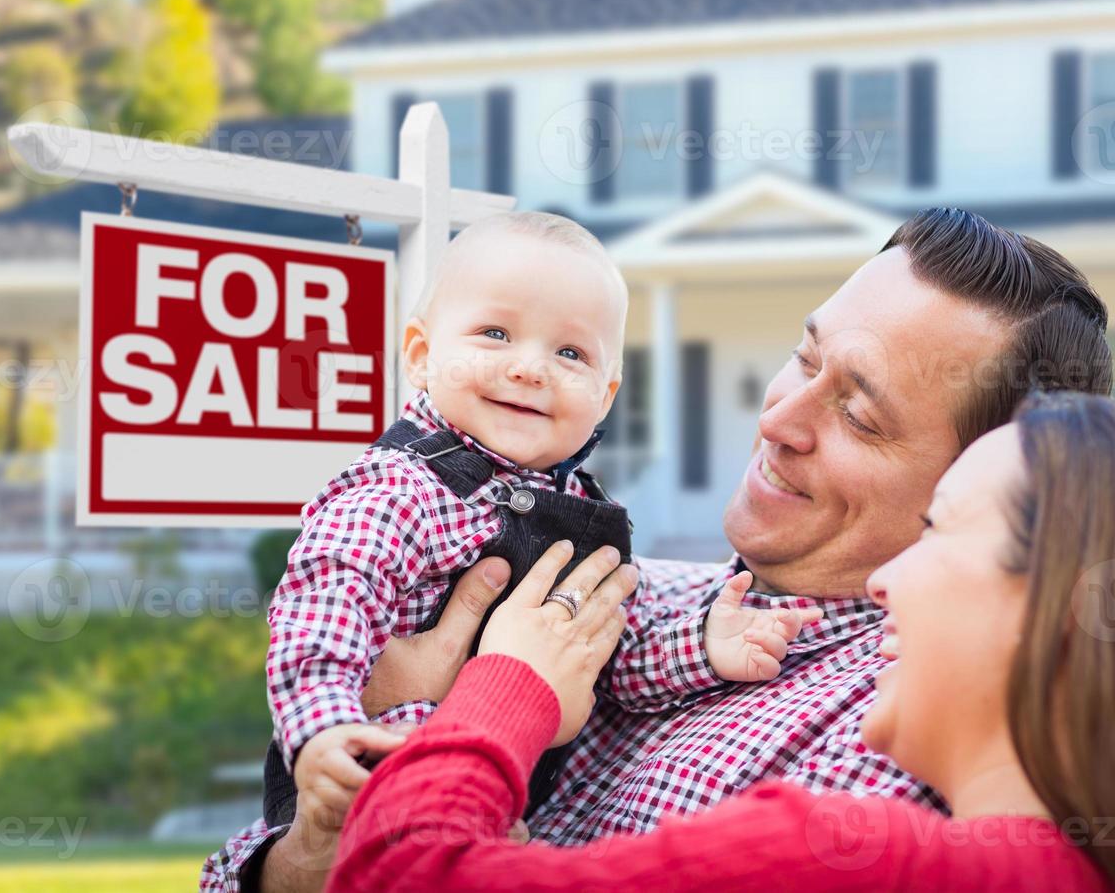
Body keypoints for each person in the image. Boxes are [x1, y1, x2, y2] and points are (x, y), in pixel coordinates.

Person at [201, 208, 1114, 891]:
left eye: (859, 416)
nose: (779, 418)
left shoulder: (894, 740)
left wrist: (491, 694)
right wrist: (307, 845)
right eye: (804, 360)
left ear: (989, 477)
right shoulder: (641, 595)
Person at [329, 393, 1115, 893]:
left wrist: (503, 683)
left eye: (936, 530)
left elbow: (399, 874)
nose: (885, 581)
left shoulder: (842, 857)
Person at [250, 212, 819, 849]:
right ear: (420, 355)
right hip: (370, 776)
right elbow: (323, 606)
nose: (530, 368)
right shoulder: (400, 489)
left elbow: (605, 664)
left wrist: (702, 644)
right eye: (495, 333)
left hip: (494, 808)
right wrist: (322, 729)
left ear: (605, 396)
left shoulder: (583, 513)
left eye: (569, 352)